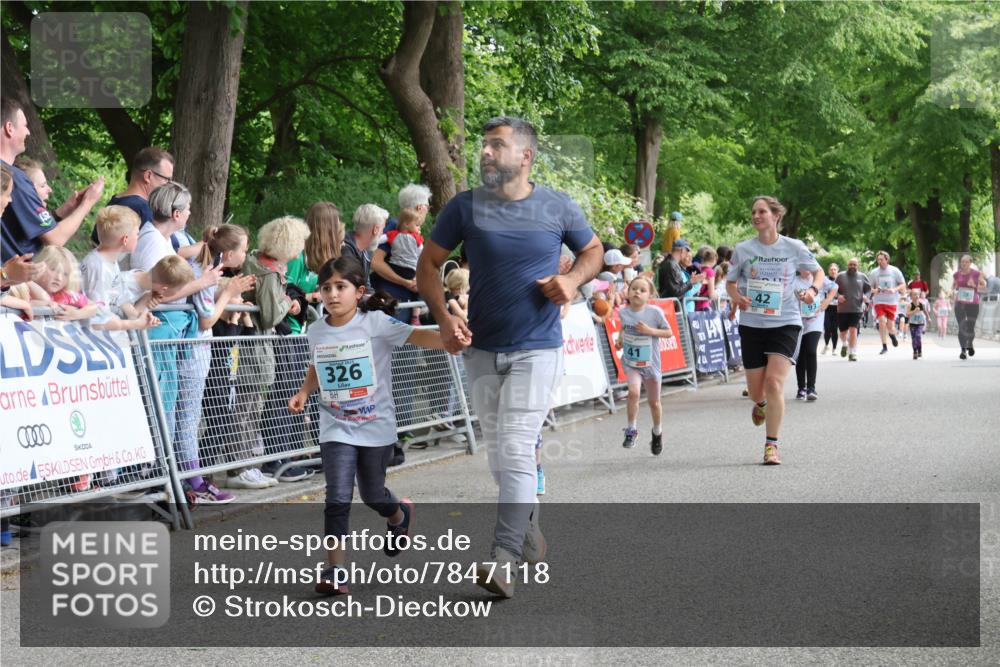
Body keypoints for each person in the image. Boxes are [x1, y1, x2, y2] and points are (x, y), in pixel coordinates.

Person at [416, 115, 603, 598]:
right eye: (483, 146)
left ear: (525, 156)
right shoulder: (465, 207)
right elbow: (429, 264)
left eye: (496, 146)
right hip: (480, 349)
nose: (485, 153)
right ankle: (528, 530)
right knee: (502, 461)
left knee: (517, 449)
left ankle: (503, 559)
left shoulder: (556, 206)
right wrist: (443, 317)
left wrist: (572, 280)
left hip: (537, 350)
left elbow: (594, 250)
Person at [288, 256, 456, 595]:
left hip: (375, 424)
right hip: (335, 424)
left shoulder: (375, 323)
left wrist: (453, 338)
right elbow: (319, 365)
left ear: (358, 291)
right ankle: (335, 570)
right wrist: (304, 391)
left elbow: (417, 337)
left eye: (341, 287)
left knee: (372, 494)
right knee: (336, 496)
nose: (333, 294)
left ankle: (398, 514)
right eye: (326, 288)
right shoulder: (318, 329)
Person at [725, 196, 822, 465]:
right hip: (752, 324)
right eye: (754, 211)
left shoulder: (794, 247)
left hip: (787, 321)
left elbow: (818, 272)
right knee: (757, 393)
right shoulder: (743, 250)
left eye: (762, 211)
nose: (756, 216)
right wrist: (738, 297)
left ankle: (771, 446)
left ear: (776, 216)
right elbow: (730, 283)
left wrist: (812, 291)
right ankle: (762, 405)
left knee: (774, 383)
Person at [174, 225, 256, 504]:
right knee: (187, 418)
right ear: (230, 253)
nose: (246, 254)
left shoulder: (207, 271)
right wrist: (227, 292)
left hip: (198, 352)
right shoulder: (202, 273)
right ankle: (194, 480)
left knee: (188, 416)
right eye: (244, 249)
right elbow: (206, 319)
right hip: (192, 353)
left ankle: (187, 479)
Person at [241, 216, 314, 482]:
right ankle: (265, 463)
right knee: (256, 405)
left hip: (255, 342)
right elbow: (271, 314)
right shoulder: (269, 273)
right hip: (258, 345)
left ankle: (265, 461)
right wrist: (288, 303)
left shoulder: (253, 261)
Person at [1, 99, 105, 261]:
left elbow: (22, 227)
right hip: (18, 279)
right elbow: (55, 239)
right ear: (9, 128)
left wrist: (60, 212)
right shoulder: (15, 178)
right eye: (25, 125)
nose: (28, 132)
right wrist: (89, 202)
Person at [79, 205, 160, 331]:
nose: (138, 238)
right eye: (137, 234)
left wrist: (140, 317)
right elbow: (98, 318)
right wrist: (135, 324)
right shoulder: (98, 267)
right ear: (125, 240)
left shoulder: (110, 262)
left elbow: (118, 300)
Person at [617, 276, 673, 454]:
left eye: (642, 290)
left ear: (649, 295)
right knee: (633, 393)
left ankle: (657, 432)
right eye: (634, 288)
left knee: (654, 403)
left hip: (651, 363)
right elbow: (624, 329)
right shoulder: (624, 312)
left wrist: (649, 331)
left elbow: (668, 332)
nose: (637, 292)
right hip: (632, 362)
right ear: (628, 291)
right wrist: (620, 339)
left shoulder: (654, 312)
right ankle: (631, 431)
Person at [372, 184, 432, 325]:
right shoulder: (396, 226)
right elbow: (376, 262)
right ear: (420, 208)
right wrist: (405, 282)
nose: (427, 212)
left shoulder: (412, 231)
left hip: (405, 298)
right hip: (393, 297)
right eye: (427, 207)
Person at [89, 146, 175, 246]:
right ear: (148, 176)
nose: (169, 185)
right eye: (167, 179)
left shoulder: (116, 201)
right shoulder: (142, 210)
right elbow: (168, 252)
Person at [793, 266, 835, 401]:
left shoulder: (819, 280)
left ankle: (811, 388)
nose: (804, 269)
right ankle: (801, 387)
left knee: (811, 350)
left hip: (815, 320)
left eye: (806, 266)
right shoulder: (794, 281)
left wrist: (827, 301)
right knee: (800, 353)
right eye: (801, 266)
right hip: (798, 320)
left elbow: (835, 287)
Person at [341, 203, 388, 292]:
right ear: (375, 229)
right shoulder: (345, 249)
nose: (382, 233)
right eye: (382, 229)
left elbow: (366, 287)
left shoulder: (367, 251)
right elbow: (350, 289)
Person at [868, 251, 906, 355]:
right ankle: (884, 346)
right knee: (881, 321)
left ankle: (892, 335)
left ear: (887, 259)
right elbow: (868, 287)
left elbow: (903, 284)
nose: (879, 261)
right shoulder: (874, 272)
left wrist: (895, 289)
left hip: (892, 301)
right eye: (878, 259)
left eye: (882, 259)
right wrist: (875, 290)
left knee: (890, 326)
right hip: (878, 301)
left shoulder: (895, 270)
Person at [835, 257, 871, 361]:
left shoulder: (862, 276)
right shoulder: (840, 276)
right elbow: (833, 288)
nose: (852, 266)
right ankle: (845, 344)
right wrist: (838, 296)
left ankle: (853, 353)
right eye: (850, 264)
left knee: (853, 330)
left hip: (857, 308)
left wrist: (865, 296)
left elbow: (868, 290)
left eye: (854, 265)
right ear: (848, 265)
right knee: (842, 333)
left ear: (857, 266)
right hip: (842, 309)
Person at [952, 254, 987, 360]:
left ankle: (970, 344)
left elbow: (984, 286)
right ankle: (963, 350)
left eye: (966, 262)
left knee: (970, 327)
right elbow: (953, 286)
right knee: (961, 326)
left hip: (973, 303)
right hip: (960, 303)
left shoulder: (977, 274)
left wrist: (975, 285)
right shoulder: (956, 274)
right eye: (962, 261)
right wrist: (952, 292)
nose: (963, 263)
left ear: (970, 262)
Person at [821, 263, 839, 354]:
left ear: (837, 271)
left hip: (837, 308)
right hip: (827, 307)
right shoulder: (825, 281)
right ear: (828, 271)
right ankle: (826, 345)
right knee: (827, 328)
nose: (833, 271)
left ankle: (834, 348)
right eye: (831, 269)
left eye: (835, 269)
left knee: (834, 329)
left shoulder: (840, 281)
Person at [694, 247, 718, 311]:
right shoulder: (710, 271)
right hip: (703, 306)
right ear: (714, 260)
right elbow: (711, 294)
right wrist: (717, 296)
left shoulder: (697, 268)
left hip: (694, 305)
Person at [907, 289, 927, 359]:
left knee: (918, 335)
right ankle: (915, 352)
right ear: (911, 296)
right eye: (914, 294)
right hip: (912, 324)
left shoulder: (922, 305)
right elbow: (908, 314)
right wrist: (914, 311)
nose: (916, 296)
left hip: (920, 323)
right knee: (913, 339)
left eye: (918, 294)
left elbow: (925, 312)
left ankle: (920, 350)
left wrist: (928, 318)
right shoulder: (910, 305)